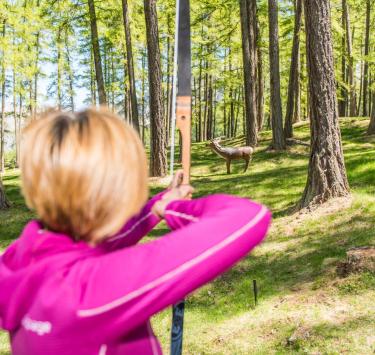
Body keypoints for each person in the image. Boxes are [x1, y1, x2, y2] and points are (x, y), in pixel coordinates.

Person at [0, 108, 271, 354]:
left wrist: (156, 208)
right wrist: (174, 208)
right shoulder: (91, 290)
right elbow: (248, 217)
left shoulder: (20, 257)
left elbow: (98, 241)